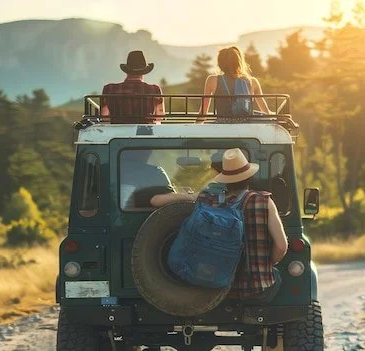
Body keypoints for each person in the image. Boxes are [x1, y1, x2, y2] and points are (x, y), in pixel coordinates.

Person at [152, 148, 288, 303]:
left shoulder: (206, 199)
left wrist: (187, 195)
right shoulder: (263, 202)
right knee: (274, 275)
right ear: (249, 176)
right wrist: (266, 265)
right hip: (252, 288)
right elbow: (281, 246)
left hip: (213, 285)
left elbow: (155, 201)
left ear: (224, 178)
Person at [198, 47, 272, 122]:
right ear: (239, 62)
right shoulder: (253, 82)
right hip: (246, 126)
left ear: (220, 63)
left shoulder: (212, 80)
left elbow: (203, 113)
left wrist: (195, 125)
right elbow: (266, 113)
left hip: (222, 126)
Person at [101, 51, 165, 123]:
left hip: (117, 131)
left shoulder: (110, 89)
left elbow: (104, 117)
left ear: (127, 71)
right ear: (144, 72)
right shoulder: (154, 90)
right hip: (146, 131)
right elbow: (160, 117)